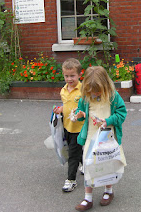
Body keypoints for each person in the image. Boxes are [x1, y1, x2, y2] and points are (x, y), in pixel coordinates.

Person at [74, 66, 127, 211]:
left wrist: (108, 121)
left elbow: (122, 114)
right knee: (88, 164)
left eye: (97, 91)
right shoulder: (85, 98)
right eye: (91, 91)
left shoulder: (113, 96)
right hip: (90, 137)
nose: (95, 94)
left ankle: (108, 191)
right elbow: (81, 112)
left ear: (105, 85)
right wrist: (79, 115)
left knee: (107, 164)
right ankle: (88, 198)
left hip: (107, 137)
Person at [53, 58, 84, 192]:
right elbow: (66, 105)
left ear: (79, 74)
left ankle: (71, 180)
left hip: (80, 128)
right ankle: (86, 166)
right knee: (76, 150)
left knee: (73, 154)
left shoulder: (84, 90)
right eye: (66, 76)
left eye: (72, 76)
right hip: (67, 127)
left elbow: (88, 107)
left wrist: (82, 113)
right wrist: (60, 110)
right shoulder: (63, 90)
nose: (69, 78)